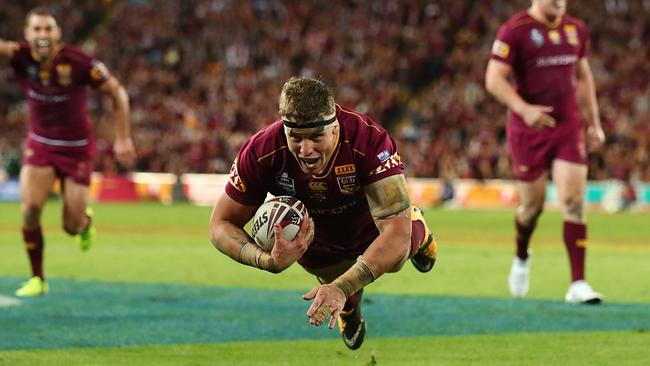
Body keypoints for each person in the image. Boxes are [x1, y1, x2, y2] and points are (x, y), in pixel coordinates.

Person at [209, 76, 437, 350]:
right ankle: (349, 308)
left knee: (397, 257)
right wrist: (264, 259)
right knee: (332, 277)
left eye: (316, 137)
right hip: (314, 234)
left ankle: (418, 229)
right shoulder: (261, 151)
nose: (306, 150)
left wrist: (342, 287)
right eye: (295, 138)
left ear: (334, 127)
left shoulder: (368, 139)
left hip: (371, 223)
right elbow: (221, 224)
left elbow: (395, 234)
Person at [0, 7, 136, 297]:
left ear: (57, 32)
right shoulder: (19, 57)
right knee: (30, 208)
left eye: (48, 29)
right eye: (36, 30)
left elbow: (118, 93)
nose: (42, 35)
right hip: (40, 145)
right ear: (26, 34)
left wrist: (123, 138)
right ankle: (38, 278)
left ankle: (85, 223)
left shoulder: (79, 62)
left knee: (71, 226)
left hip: (76, 150)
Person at [485, 0, 605, 304]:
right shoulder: (515, 30)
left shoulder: (576, 30)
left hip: (567, 127)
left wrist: (595, 122)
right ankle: (522, 255)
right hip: (529, 130)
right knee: (532, 208)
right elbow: (493, 79)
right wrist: (523, 110)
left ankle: (578, 283)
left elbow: (583, 76)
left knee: (574, 201)